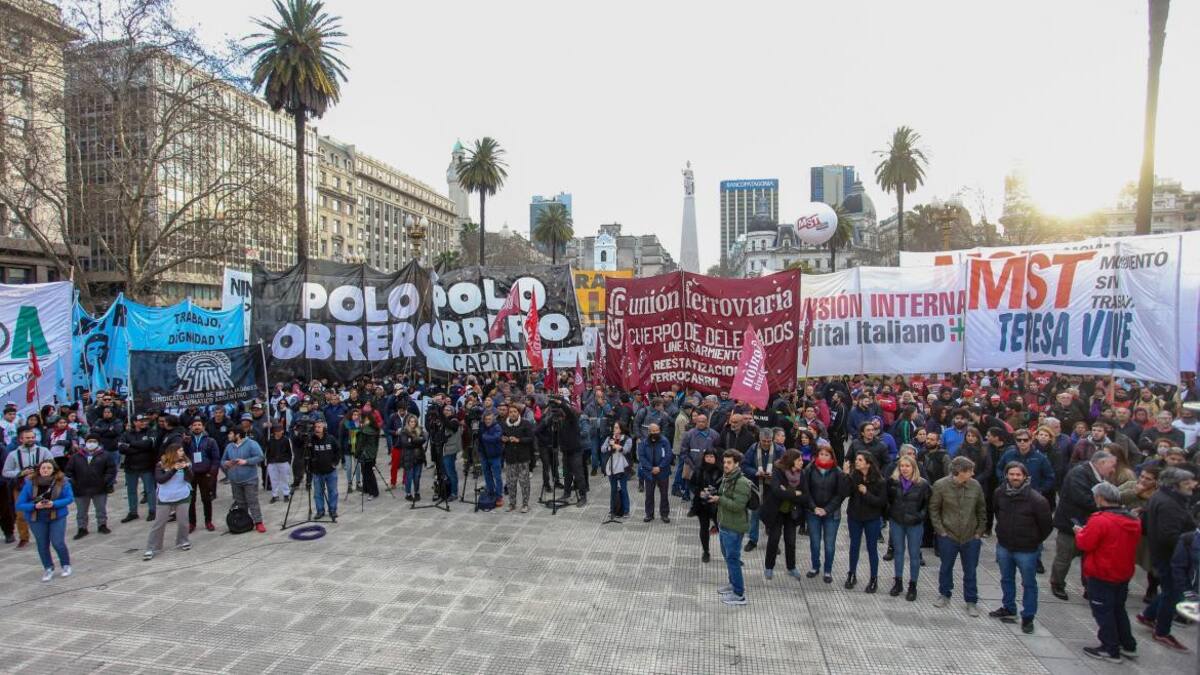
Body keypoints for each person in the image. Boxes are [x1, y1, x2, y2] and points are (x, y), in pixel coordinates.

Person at [1074, 482, 1142, 663]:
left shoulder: (1100, 520)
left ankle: (1110, 648)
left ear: (1100, 498)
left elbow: (1085, 544)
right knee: (1118, 609)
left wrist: (1080, 533)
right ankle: (1128, 644)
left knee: (1103, 612)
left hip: (1102, 572)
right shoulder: (1132, 519)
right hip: (1123, 571)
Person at [1135, 466, 1196, 652]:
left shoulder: (1165, 497)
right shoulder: (1169, 503)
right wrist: (1192, 542)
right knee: (1174, 593)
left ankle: (1149, 615)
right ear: (1175, 485)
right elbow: (1169, 536)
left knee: (1170, 590)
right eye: (1187, 483)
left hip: (1165, 554)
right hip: (1171, 557)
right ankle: (1162, 631)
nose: (1192, 486)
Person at [990, 461, 1053, 634]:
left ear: (1025, 476)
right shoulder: (999, 493)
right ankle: (1009, 608)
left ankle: (1028, 616)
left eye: (1018, 475)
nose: (1015, 477)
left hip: (1027, 549)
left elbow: (1046, 526)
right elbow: (996, 512)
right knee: (1006, 579)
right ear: (1006, 476)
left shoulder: (1037, 499)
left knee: (1029, 583)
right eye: (1011, 474)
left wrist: (1034, 541)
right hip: (1004, 545)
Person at [1049, 450, 1117, 601]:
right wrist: (1109, 506)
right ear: (1101, 463)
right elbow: (1084, 499)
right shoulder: (1078, 474)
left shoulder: (1100, 477)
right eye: (1112, 465)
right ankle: (1057, 583)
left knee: (1088, 558)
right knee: (1064, 557)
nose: (1113, 470)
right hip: (1071, 524)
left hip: (1090, 526)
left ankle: (1088, 586)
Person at [930, 456, 987, 616]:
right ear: (959, 472)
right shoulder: (941, 486)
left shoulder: (975, 486)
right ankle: (944, 593)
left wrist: (979, 532)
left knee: (970, 570)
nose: (973, 474)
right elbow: (934, 510)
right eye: (969, 471)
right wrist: (941, 531)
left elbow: (982, 510)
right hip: (948, 535)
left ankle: (971, 600)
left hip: (970, 537)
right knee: (946, 567)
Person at [15, 459, 73, 581]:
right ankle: (48, 568)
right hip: (36, 518)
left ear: (54, 470)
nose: (45, 470)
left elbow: (69, 499)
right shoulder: (30, 483)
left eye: (48, 468)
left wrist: (53, 503)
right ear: (39, 470)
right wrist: (35, 506)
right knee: (42, 544)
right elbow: (20, 504)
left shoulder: (62, 482)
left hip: (56, 516)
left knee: (58, 542)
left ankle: (66, 564)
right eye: (43, 468)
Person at [710, 449, 752, 606]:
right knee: (728, 558)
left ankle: (739, 594)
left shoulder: (741, 482)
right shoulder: (727, 477)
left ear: (737, 464)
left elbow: (738, 506)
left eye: (729, 463)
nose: (725, 465)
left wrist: (719, 499)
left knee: (733, 559)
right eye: (724, 462)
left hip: (734, 527)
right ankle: (733, 584)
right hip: (724, 524)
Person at [887, 454, 931, 601]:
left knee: (914, 554)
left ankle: (913, 585)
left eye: (907, 466)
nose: (904, 469)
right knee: (898, 552)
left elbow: (927, 504)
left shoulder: (923, 484)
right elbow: (888, 500)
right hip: (897, 521)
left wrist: (920, 516)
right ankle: (898, 581)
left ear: (914, 468)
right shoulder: (893, 482)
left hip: (915, 523)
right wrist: (890, 514)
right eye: (902, 466)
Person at [803, 445, 848, 583]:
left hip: (831, 514)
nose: (823, 456)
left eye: (826, 454)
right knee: (815, 542)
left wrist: (827, 509)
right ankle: (815, 566)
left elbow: (840, 495)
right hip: (813, 512)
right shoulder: (810, 469)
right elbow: (806, 490)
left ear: (831, 456)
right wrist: (813, 507)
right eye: (821, 454)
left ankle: (828, 570)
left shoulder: (837, 472)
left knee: (829, 544)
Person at [2, 429, 53, 548]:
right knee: (21, 514)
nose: (30, 440)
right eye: (27, 438)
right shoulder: (13, 454)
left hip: (41, 486)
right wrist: (20, 473)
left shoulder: (43, 451)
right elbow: (5, 472)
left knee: (43, 511)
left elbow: (52, 466)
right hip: (21, 488)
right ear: (21, 439)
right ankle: (24, 538)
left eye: (32, 437)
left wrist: (39, 472)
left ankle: (45, 536)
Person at [760, 449, 807, 581]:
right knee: (774, 539)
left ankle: (791, 567)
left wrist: (787, 491)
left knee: (791, 541)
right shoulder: (778, 471)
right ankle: (769, 567)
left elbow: (805, 495)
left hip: (791, 512)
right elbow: (776, 491)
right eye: (799, 460)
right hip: (776, 511)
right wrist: (794, 493)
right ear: (792, 461)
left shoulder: (801, 474)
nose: (802, 462)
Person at [845, 451, 887, 592]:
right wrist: (845, 476)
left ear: (868, 464)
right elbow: (845, 493)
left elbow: (880, 502)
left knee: (871, 548)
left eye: (860, 460)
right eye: (856, 459)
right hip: (855, 517)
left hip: (872, 518)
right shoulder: (853, 477)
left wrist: (866, 493)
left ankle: (873, 578)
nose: (856, 462)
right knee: (854, 546)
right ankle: (851, 573)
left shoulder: (879, 481)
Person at [143, 445, 193, 561]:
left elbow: (190, 478)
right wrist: (174, 469)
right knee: (159, 524)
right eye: (180, 450)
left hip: (182, 495)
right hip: (165, 497)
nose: (182, 452)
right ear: (173, 452)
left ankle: (183, 541)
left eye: (182, 450)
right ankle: (152, 547)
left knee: (183, 522)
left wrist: (185, 468)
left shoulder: (187, 462)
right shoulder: (161, 464)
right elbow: (161, 479)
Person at [64, 433, 116, 540]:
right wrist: (74, 483)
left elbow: (111, 470)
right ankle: (82, 528)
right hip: (80, 489)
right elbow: (69, 472)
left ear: (98, 443)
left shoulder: (105, 455)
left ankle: (102, 525)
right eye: (89, 441)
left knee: (101, 509)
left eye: (94, 441)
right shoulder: (76, 456)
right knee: (81, 511)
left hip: (99, 488)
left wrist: (104, 481)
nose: (91, 443)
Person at [741, 427, 781, 551]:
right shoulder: (752, 449)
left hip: (772, 487)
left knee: (773, 515)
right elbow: (744, 465)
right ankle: (753, 540)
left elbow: (784, 466)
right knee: (755, 514)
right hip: (756, 486)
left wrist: (774, 473)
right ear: (760, 439)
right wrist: (755, 472)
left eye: (769, 441)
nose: (767, 443)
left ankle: (774, 541)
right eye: (764, 441)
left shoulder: (779, 450)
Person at [221, 428, 266, 533]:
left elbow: (260, 457)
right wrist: (226, 463)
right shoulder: (229, 446)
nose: (228, 436)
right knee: (240, 503)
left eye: (230, 433)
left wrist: (246, 461)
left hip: (250, 479)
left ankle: (258, 522)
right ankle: (243, 523)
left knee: (253, 501)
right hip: (235, 480)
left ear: (237, 435)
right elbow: (222, 461)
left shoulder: (251, 444)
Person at [118, 415, 159, 524]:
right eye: (140, 421)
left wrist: (131, 445)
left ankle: (152, 510)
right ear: (134, 422)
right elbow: (121, 448)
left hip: (146, 466)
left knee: (150, 490)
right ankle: (133, 512)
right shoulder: (126, 434)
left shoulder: (150, 432)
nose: (143, 423)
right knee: (131, 491)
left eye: (144, 420)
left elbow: (149, 444)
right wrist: (140, 448)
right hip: (130, 467)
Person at [183, 419, 221, 532]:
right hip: (191, 474)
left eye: (199, 425)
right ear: (191, 427)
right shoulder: (187, 440)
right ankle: (191, 523)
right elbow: (181, 454)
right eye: (194, 425)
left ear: (203, 427)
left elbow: (216, 458)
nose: (197, 427)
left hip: (205, 473)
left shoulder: (210, 441)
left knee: (207, 499)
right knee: (190, 500)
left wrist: (212, 472)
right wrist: (184, 443)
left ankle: (208, 521)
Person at [689, 447, 722, 562]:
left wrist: (717, 495)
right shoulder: (699, 469)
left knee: (722, 529)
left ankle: (729, 553)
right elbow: (692, 484)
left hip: (717, 505)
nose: (709, 459)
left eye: (711, 457)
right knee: (704, 528)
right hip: (702, 505)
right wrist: (699, 493)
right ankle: (706, 551)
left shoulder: (721, 471)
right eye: (707, 456)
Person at [501, 406, 535, 513]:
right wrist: (503, 439)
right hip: (510, 458)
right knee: (511, 482)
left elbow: (531, 438)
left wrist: (519, 440)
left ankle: (525, 504)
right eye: (510, 412)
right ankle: (512, 503)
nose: (512, 413)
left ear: (518, 413)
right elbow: (501, 436)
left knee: (524, 482)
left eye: (515, 411)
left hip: (522, 458)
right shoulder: (504, 424)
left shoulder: (525, 423)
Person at [637, 422, 673, 523]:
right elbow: (642, 456)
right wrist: (650, 468)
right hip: (649, 472)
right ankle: (649, 514)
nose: (655, 433)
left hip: (663, 472)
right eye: (653, 431)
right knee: (649, 495)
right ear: (649, 432)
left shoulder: (664, 441)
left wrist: (660, 467)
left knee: (664, 494)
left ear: (659, 431)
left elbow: (668, 455)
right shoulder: (644, 442)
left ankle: (664, 514)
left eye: (657, 431)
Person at [308, 420, 340, 521]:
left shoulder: (331, 439)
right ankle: (320, 511)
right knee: (318, 493)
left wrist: (335, 463)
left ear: (324, 428)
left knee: (333, 492)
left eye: (319, 427)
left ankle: (333, 510)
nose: (317, 429)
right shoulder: (311, 440)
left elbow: (338, 450)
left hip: (330, 471)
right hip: (317, 472)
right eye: (316, 427)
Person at [602, 422, 633, 519]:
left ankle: (626, 511)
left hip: (622, 467)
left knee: (623, 489)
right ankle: (612, 510)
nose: (614, 429)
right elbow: (602, 449)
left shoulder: (627, 439)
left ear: (621, 429)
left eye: (616, 428)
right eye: (614, 427)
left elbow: (626, 450)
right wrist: (609, 446)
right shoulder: (609, 438)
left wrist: (617, 446)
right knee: (613, 490)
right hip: (611, 467)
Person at [398, 415, 427, 502]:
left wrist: (412, 440)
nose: (413, 423)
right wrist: (417, 441)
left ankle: (417, 492)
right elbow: (405, 443)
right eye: (411, 421)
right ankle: (408, 493)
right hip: (409, 457)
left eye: (414, 421)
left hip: (419, 457)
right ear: (408, 422)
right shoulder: (404, 431)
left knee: (417, 476)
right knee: (409, 477)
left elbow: (424, 439)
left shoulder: (420, 430)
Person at [436, 404, 461, 501]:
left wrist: (441, 414)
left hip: (450, 450)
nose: (446, 411)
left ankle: (454, 493)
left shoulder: (454, 421)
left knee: (451, 472)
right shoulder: (443, 421)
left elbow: (450, 426)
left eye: (448, 410)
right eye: (445, 410)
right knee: (446, 472)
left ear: (452, 412)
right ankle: (448, 491)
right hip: (444, 449)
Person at [478, 413, 504, 505]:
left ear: (493, 419)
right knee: (487, 475)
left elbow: (496, 438)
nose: (487, 421)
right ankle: (490, 492)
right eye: (486, 419)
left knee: (497, 477)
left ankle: (499, 495)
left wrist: (484, 436)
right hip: (484, 455)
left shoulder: (497, 427)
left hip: (495, 456)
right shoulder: (481, 427)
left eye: (489, 419)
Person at [356, 411, 383, 500]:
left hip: (366, 454)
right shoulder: (373, 428)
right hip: (371, 454)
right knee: (366, 472)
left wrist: (357, 453)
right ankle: (366, 489)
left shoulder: (366, 430)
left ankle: (373, 492)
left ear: (366, 419)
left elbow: (360, 443)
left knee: (368, 473)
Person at [264, 424, 293, 504]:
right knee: (273, 479)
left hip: (283, 461)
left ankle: (286, 494)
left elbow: (290, 452)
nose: (278, 433)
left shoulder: (286, 440)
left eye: (279, 431)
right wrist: (268, 462)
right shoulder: (270, 440)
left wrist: (288, 462)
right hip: (272, 462)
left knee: (285, 478)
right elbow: (267, 452)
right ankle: (275, 495)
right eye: (276, 431)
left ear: (282, 431)